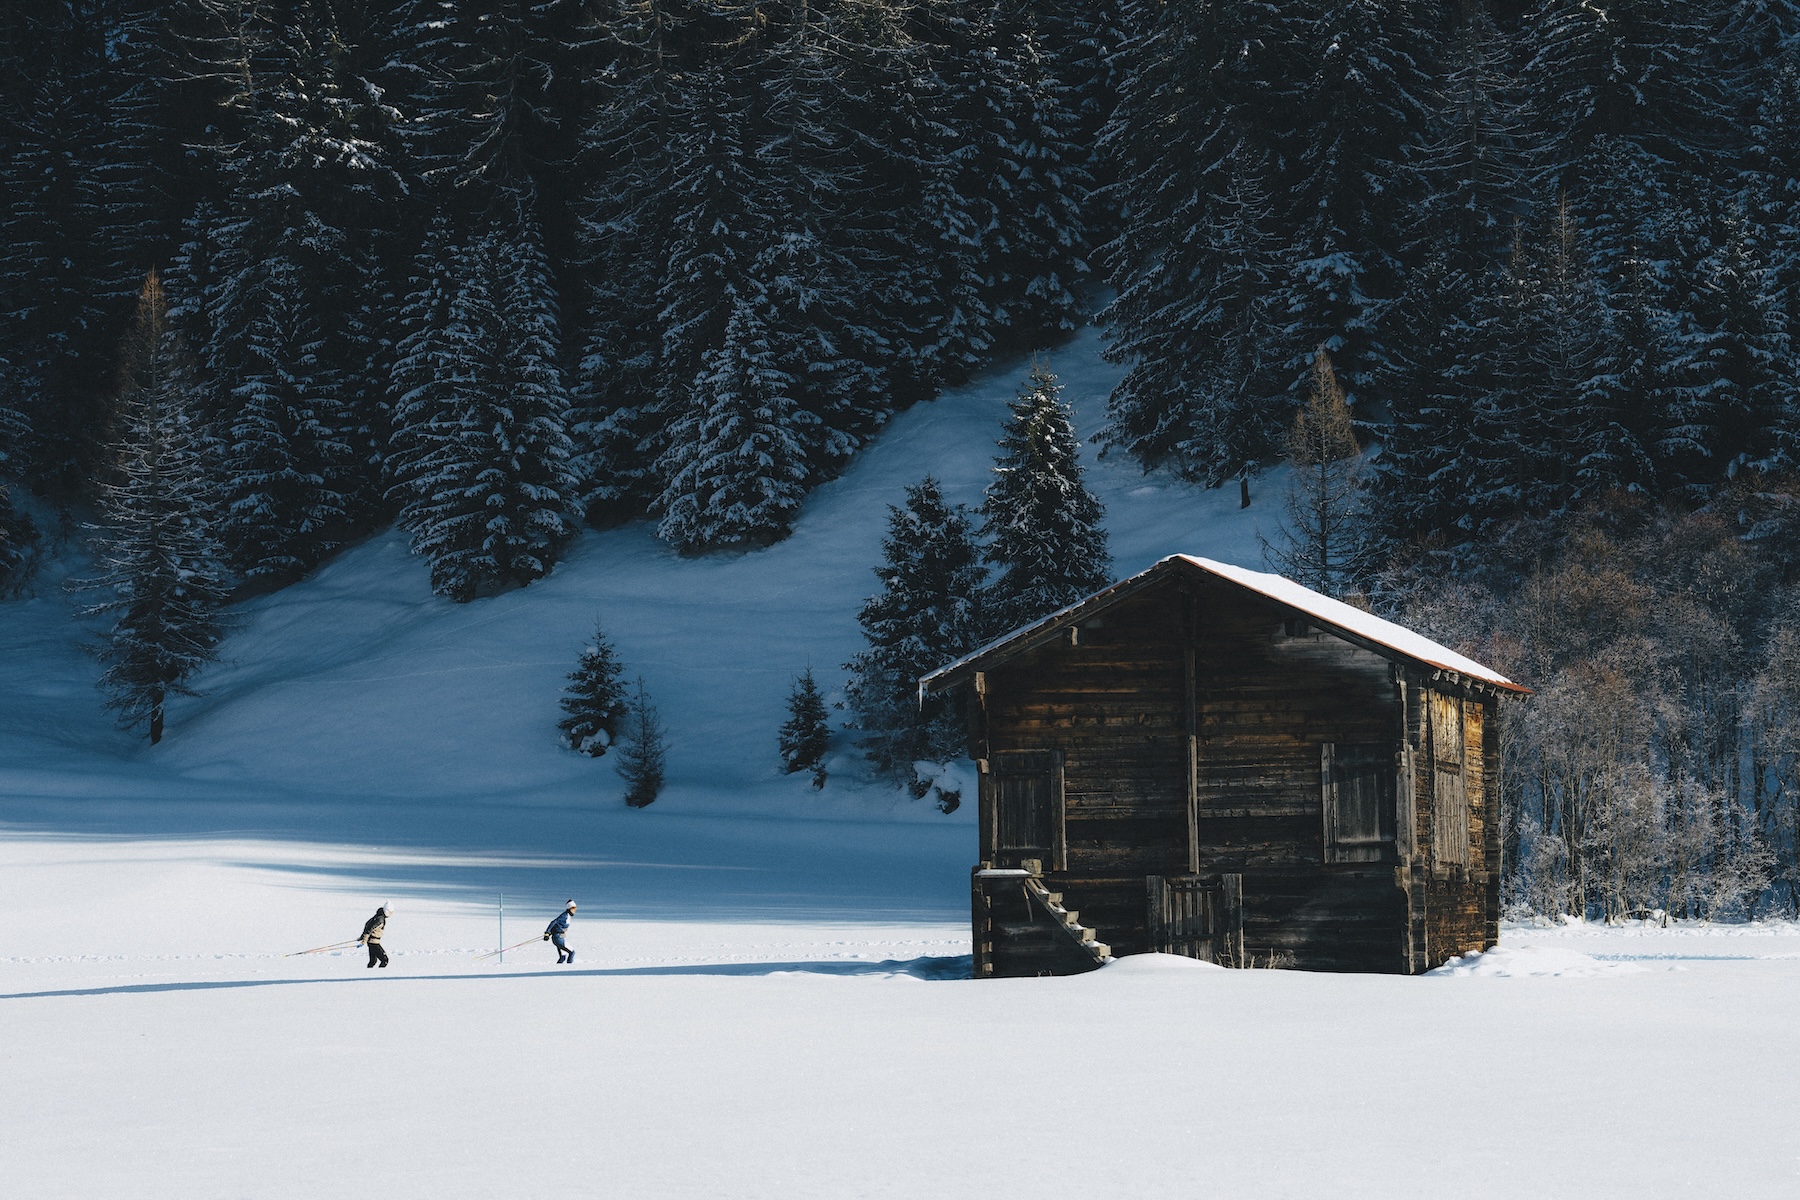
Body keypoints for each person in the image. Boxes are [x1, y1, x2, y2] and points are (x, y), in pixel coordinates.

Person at [358, 904, 391, 969]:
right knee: (385, 960)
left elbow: (367, 925)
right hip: (374, 942)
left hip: (371, 942)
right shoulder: (380, 919)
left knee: (373, 961)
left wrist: (363, 937)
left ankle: (368, 974)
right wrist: (364, 939)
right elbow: (369, 928)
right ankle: (379, 975)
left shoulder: (377, 916)